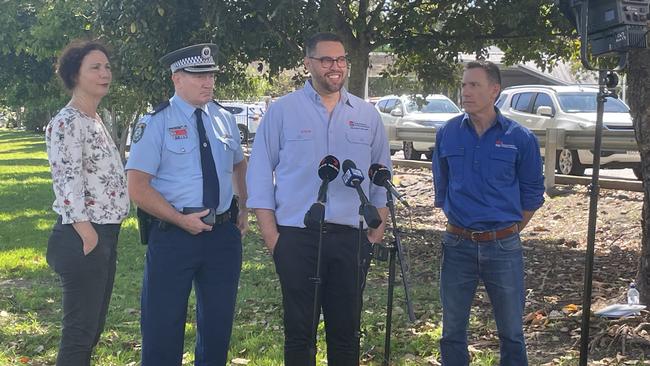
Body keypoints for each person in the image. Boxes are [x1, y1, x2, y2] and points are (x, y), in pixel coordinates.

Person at [246, 32, 392, 365]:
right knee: (299, 334)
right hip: (297, 237)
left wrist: (377, 228)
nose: (335, 67)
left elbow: (381, 174)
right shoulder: (282, 111)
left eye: (340, 59)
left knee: (346, 334)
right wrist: (272, 237)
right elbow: (259, 174)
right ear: (308, 63)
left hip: (351, 238)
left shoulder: (367, 116)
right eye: (326, 59)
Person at [125, 43, 248, 366]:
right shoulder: (156, 122)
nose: (208, 82)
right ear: (176, 78)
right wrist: (180, 220)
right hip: (173, 237)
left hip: (222, 237)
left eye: (211, 75)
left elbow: (238, 164)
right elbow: (137, 187)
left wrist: (244, 207)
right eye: (199, 75)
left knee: (217, 330)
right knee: (162, 328)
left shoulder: (224, 119)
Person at [432, 60, 545, 365]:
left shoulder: (520, 138)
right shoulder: (447, 134)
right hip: (457, 245)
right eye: (463, 84)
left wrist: (503, 232)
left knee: (511, 331)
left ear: (494, 90)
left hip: (504, 247)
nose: (465, 91)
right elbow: (442, 191)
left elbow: (532, 195)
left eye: (474, 85)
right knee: (452, 330)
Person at [45, 39, 130, 365]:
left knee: (90, 331)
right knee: (79, 334)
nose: (104, 73)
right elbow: (67, 183)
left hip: (103, 235)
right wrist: (88, 235)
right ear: (74, 74)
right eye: (95, 67)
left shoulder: (95, 119)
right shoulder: (68, 122)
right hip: (82, 235)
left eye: (107, 66)